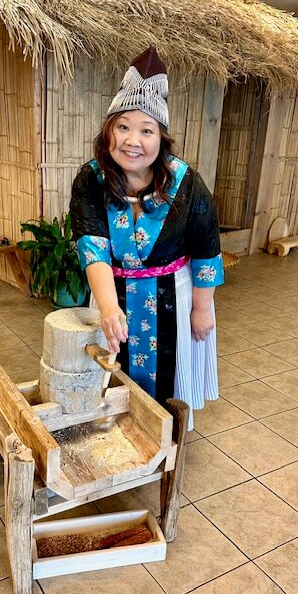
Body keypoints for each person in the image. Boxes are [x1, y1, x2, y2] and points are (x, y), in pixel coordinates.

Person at [70, 46, 224, 429]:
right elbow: (93, 247)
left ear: (161, 138)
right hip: (112, 293)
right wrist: (108, 308)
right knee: (111, 366)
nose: (132, 140)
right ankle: (118, 428)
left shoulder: (187, 183)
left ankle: (167, 434)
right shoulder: (91, 179)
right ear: (108, 130)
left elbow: (206, 250)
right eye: (123, 126)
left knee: (169, 380)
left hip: (174, 293)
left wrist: (202, 309)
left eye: (146, 130)